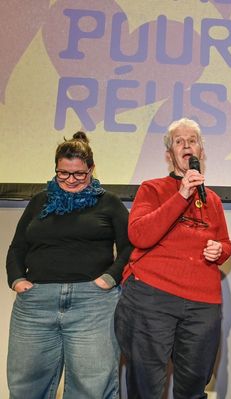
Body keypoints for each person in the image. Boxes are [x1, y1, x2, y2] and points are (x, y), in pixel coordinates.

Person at [6, 131, 131, 399]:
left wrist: (108, 279)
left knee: (92, 387)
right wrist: (17, 279)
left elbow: (130, 248)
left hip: (92, 304)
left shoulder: (108, 202)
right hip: (36, 303)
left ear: (91, 169)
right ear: (56, 169)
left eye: (79, 174)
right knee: (26, 384)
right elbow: (17, 247)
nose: (71, 180)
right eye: (63, 173)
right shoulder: (40, 201)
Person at [114, 118, 231, 399]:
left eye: (192, 141)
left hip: (202, 304)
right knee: (146, 385)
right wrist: (181, 195)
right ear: (170, 155)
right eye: (179, 141)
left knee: (194, 385)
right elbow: (140, 236)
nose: (187, 145)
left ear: (201, 152)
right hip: (153, 296)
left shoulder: (213, 200)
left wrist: (219, 250)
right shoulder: (152, 189)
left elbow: (225, 244)